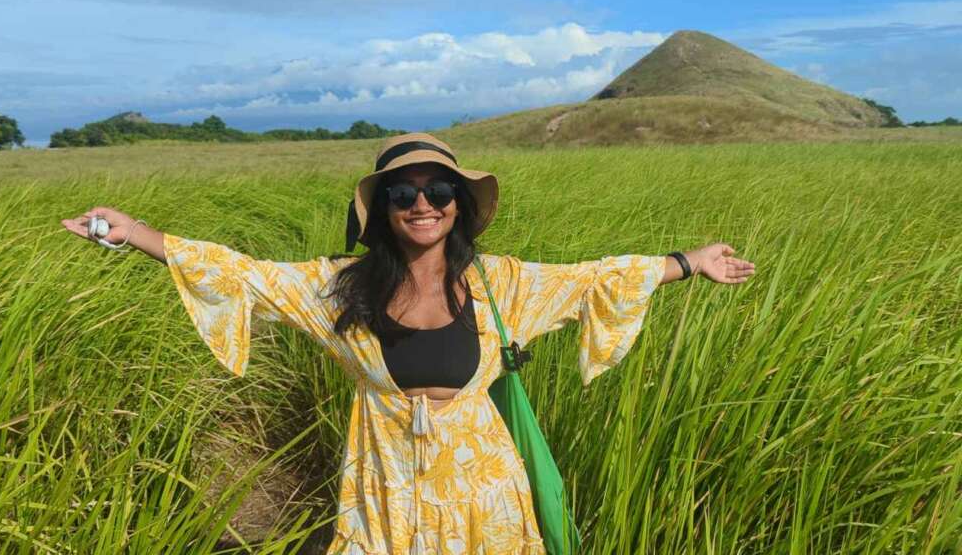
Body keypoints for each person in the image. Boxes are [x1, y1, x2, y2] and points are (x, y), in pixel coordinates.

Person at [61, 132, 756, 554]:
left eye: (439, 189)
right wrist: (138, 235)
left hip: (484, 492)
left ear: (458, 202)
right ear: (384, 208)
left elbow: (594, 280)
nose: (423, 203)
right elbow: (246, 275)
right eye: (404, 192)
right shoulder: (341, 288)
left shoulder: (502, 284)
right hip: (381, 485)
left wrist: (688, 262)